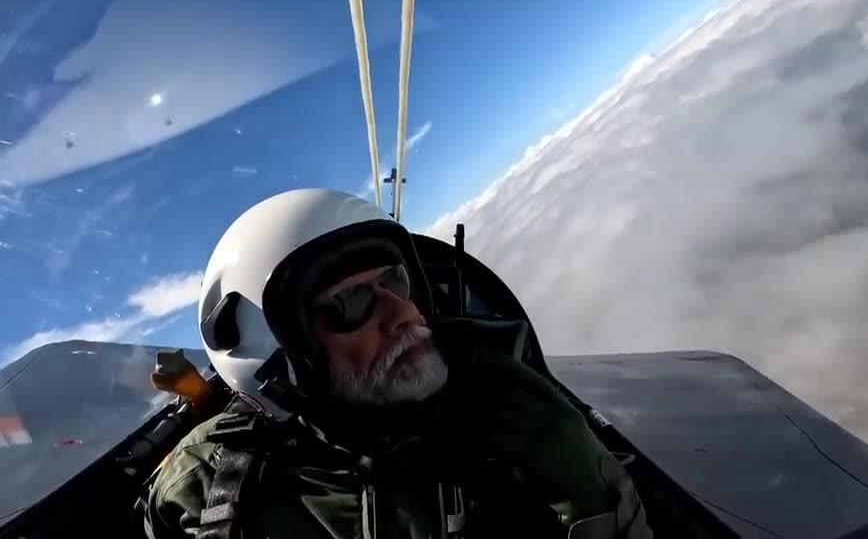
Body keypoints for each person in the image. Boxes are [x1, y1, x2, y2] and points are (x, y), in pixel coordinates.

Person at [141, 188, 653, 538]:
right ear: (280, 361)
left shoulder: (516, 426)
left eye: (395, 281)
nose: (404, 313)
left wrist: (594, 495)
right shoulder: (202, 486)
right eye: (349, 304)